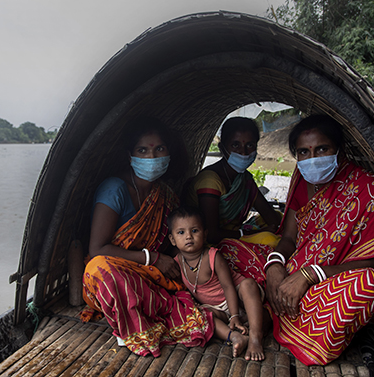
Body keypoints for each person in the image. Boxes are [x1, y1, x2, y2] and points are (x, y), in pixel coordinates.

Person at [220, 114, 374, 365]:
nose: (312, 159)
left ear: (338, 151)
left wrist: (311, 275)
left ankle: (269, 311)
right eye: (304, 152)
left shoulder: (368, 189)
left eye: (322, 149)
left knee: (371, 286)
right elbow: (288, 238)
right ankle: (273, 301)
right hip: (292, 269)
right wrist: (274, 265)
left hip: (331, 282)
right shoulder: (302, 179)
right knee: (226, 249)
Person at [82, 117, 250, 358]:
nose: (151, 157)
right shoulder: (114, 189)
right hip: (113, 273)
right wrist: (151, 258)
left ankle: (225, 327)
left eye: (159, 149)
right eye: (143, 150)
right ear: (130, 155)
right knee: (100, 268)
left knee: (183, 289)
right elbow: (98, 248)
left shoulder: (165, 196)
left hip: (150, 274)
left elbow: (173, 243)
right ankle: (134, 321)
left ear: (169, 153)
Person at [168, 205, 265, 360]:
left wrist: (234, 314)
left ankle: (255, 336)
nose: (188, 236)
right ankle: (234, 336)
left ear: (205, 235)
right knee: (199, 314)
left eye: (194, 231)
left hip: (238, 299)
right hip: (217, 310)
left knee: (248, 285)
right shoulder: (176, 264)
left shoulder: (213, 256)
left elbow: (228, 286)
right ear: (172, 239)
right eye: (181, 232)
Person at [185, 117, 281, 246]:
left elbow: (270, 216)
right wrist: (250, 234)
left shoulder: (245, 179)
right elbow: (211, 234)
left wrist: (277, 228)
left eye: (250, 145)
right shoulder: (210, 181)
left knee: (279, 216)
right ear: (222, 147)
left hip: (235, 233)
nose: (244, 152)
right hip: (211, 243)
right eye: (235, 145)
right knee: (270, 241)